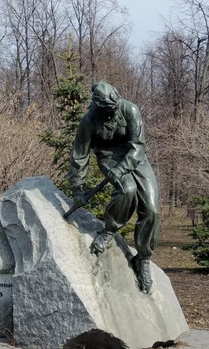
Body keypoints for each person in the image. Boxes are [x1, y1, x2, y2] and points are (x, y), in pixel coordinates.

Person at [67, 81, 159, 293]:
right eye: (107, 109)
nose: (113, 111)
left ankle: (143, 258)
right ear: (98, 107)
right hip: (109, 157)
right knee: (127, 191)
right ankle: (109, 230)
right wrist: (77, 189)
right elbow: (80, 154)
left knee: (152, 209)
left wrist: (124, 166)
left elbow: (138, 146)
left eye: (114, 106)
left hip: (136, 158)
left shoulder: (130, 109)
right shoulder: (89, 120)